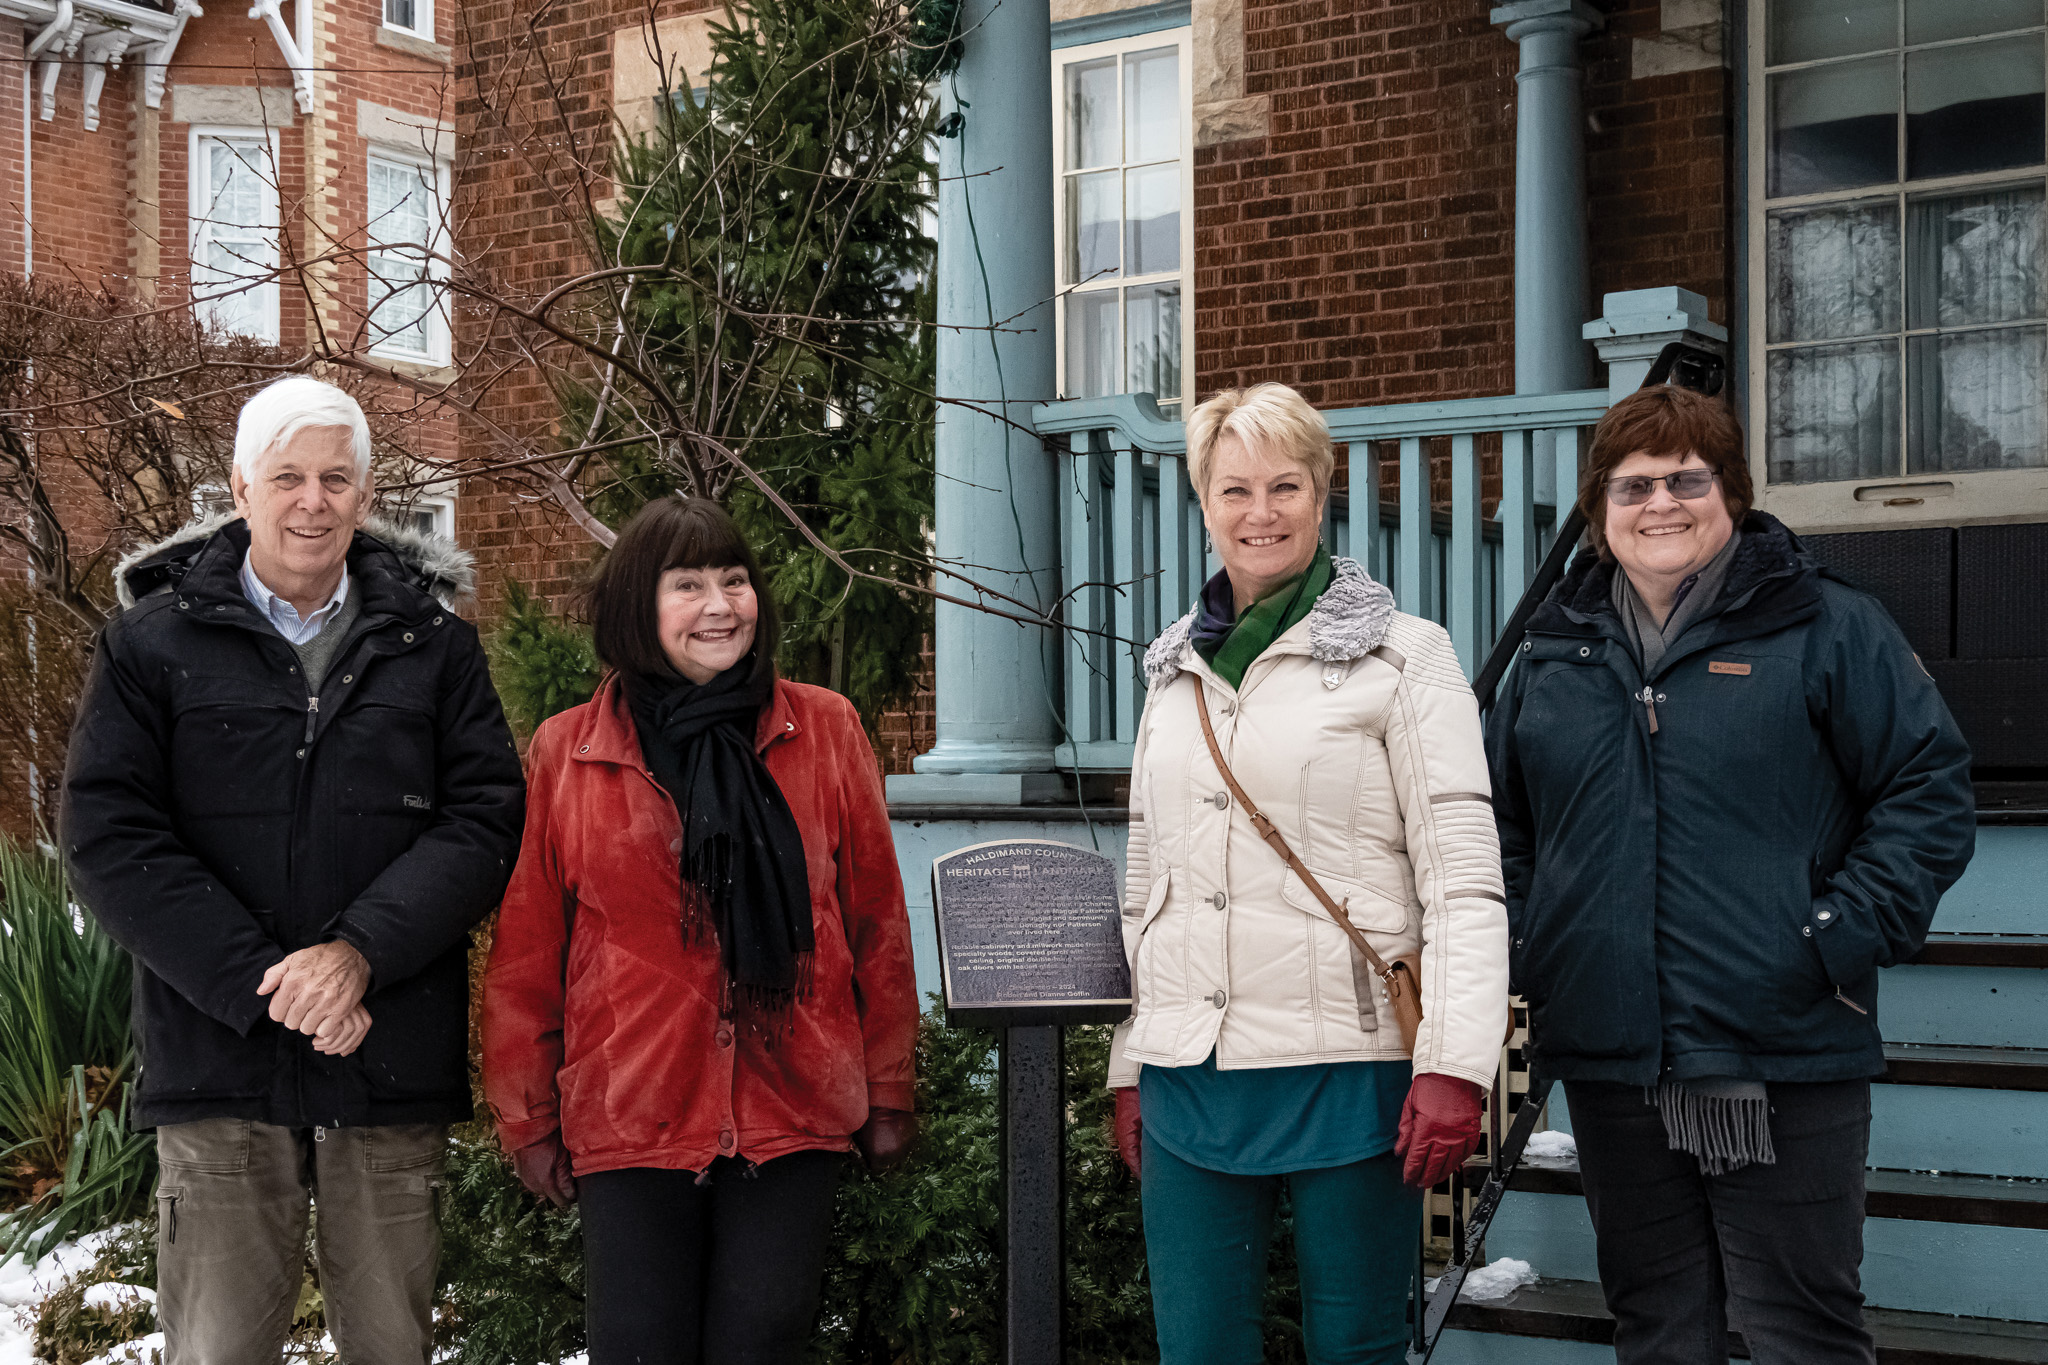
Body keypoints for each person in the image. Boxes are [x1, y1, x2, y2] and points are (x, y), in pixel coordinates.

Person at [1486, 384, 1976, 1364]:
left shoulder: (1825, 623)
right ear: (1598, 507)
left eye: (1686, 479)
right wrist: (1540, 939)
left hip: (1781, 1042)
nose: (1659, 504)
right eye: (1632, 485)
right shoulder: (1551, 647)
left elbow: (1926, 790)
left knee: (1802, 1329)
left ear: (1733, 493)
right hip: (1611, 1048)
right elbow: (1500, 823)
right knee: (1657, 1325)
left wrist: (1829, 935)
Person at [60, 375, 526, 1365]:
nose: (312, 501)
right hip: (220, 1058)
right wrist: (270, 986)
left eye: (335, 478)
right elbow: (109, 837)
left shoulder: (436, 647)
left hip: (386, 1052)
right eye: (287, 477)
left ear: (366, 495)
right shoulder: (150, 645)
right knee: (220, 1347)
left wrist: (357, 955)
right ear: (240, 488)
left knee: (391, 1345)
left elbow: (484, 820)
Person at [1106, 382, 1510, 1365]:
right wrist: (1129, 1059)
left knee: (1357, 1348)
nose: (1261, 512)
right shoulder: (1171, 671)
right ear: (1204, 503)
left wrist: (1456, 1063)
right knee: (1197, 1351)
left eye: (1284, 486)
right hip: (1190, 1070)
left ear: (1321, 494)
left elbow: (1461, 876)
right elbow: (1146, 882)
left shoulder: (1404, 658)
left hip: (1350, 1070)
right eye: (1234, 489)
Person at [481, 495, 918, 1365]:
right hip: (631, 1106)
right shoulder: (569, 750)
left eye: (735, 579)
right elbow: (529, 949)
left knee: (762, 1341)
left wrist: (890, 1086)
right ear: (638, 605)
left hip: (791, 1105)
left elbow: (877, 923)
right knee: (639, 1348)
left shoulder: (822, 729)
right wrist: (526, 1116)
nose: (721, 605)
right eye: (688, 584)